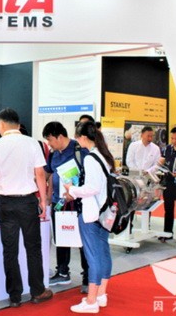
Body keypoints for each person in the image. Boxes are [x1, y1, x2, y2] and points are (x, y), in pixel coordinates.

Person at [0, 108, 53, 308]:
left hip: (6, 203)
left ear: (1, 125)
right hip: (27, 202)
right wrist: (42, 201)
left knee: (10, 250)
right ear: (18, 124)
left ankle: (14, 296)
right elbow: (40, 175)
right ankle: (37, 291)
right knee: (33, 248)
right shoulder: (32, 143)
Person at [64, 121, 113, 314]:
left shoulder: (91, 158)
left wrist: (72, 189)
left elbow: (92, 188)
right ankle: (101, 294)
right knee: (103, 253)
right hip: (105, 213)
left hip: (92, 213)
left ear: (83, 137)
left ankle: (92, 300)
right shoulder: (104, 155)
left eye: (77, 137)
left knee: (93, 257)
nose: (76, 141)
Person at [42, 121, 89, 293]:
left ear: (60, 136)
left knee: (82, 240)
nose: (49, 144)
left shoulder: (80, 151)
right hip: (59, 202)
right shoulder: (53, 154)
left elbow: (89, 176)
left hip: (78, 203)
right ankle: (62, 271)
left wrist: (75, 192)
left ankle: (88, 276)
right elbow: (47, 173)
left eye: (50, 140)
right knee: (61, 237)